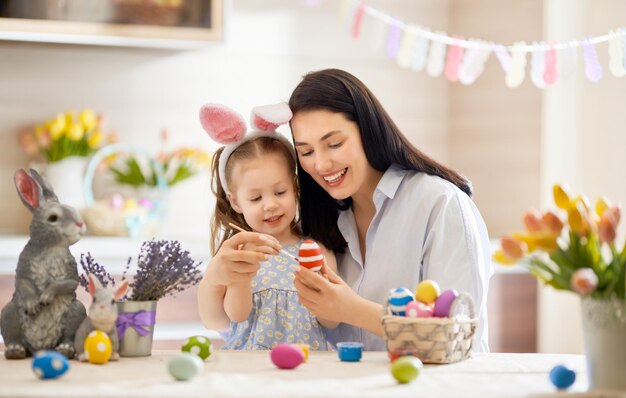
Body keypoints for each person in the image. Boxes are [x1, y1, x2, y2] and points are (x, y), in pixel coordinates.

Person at [287, 69, 493, 352]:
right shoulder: (322, 222)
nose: (321, 165)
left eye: (334, 144)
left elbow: (458, 336)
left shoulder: (439, 203)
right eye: (307, 152)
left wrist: (351, 309)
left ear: (368, 130)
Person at [196, 103, 337, 351]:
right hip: (251, 374)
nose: (270, 205)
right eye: (256, 198)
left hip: (307, 372)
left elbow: (332, 320)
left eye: (280, 192)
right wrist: (242, 277)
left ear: (295, 188)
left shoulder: (316, 249)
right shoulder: (237, 256)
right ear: (236, 201)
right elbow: (236, 316)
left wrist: (317, 279)